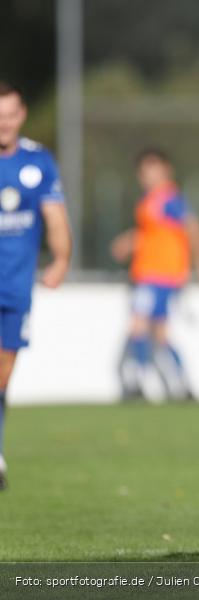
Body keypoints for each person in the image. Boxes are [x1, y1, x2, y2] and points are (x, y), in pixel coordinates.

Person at [0, 82, 72, 490]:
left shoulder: (38, 161)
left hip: (15, 287)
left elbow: (56, 218)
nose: (4, 123)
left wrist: (60, 259)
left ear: (21, 114)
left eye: (9, 114)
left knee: (3, 376)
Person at [110, 148, 199, 401]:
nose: (148, 176)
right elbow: (155, 234)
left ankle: (136, 382)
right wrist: (130, 241)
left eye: (153, 170)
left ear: (166, 170)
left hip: (157, 275)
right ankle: (183, 385)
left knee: (138, 326)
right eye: (144, 172)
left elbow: (193, 227)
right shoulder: (150, 201)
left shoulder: (169, 198)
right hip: (153, 274)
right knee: (159, 334)